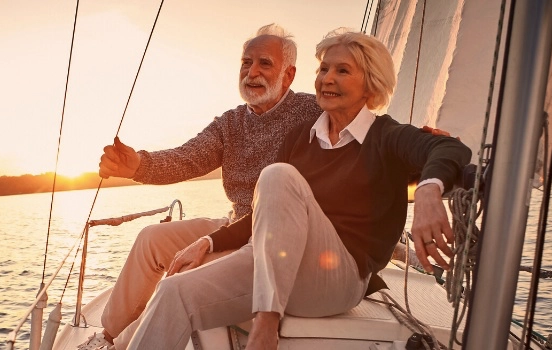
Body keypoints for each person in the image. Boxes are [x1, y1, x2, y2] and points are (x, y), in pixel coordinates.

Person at [125, 28, 472, 350]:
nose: (327, 79)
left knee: (277, 175)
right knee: (174, 291)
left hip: (338, 278)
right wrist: (209, 241)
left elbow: (450, 150)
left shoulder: (386, 136)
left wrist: (428, 191)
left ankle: (266, 323)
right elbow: (268, 214)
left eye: (343, 71)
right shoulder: (301, 137)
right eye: (323, 69)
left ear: (370, 84)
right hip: (274, 265)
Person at [77, 24, 323, 350]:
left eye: (264, 63)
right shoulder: (231, 123)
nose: (252, 72)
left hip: (278, 242)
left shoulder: (312, 112)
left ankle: (132, 340)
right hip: (233, 227)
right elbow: (186, 158)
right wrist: (136, 164)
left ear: (288, 75)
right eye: (246, 63)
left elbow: (363, 138)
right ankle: (106, 338)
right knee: (151, 238)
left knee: (183, 275)